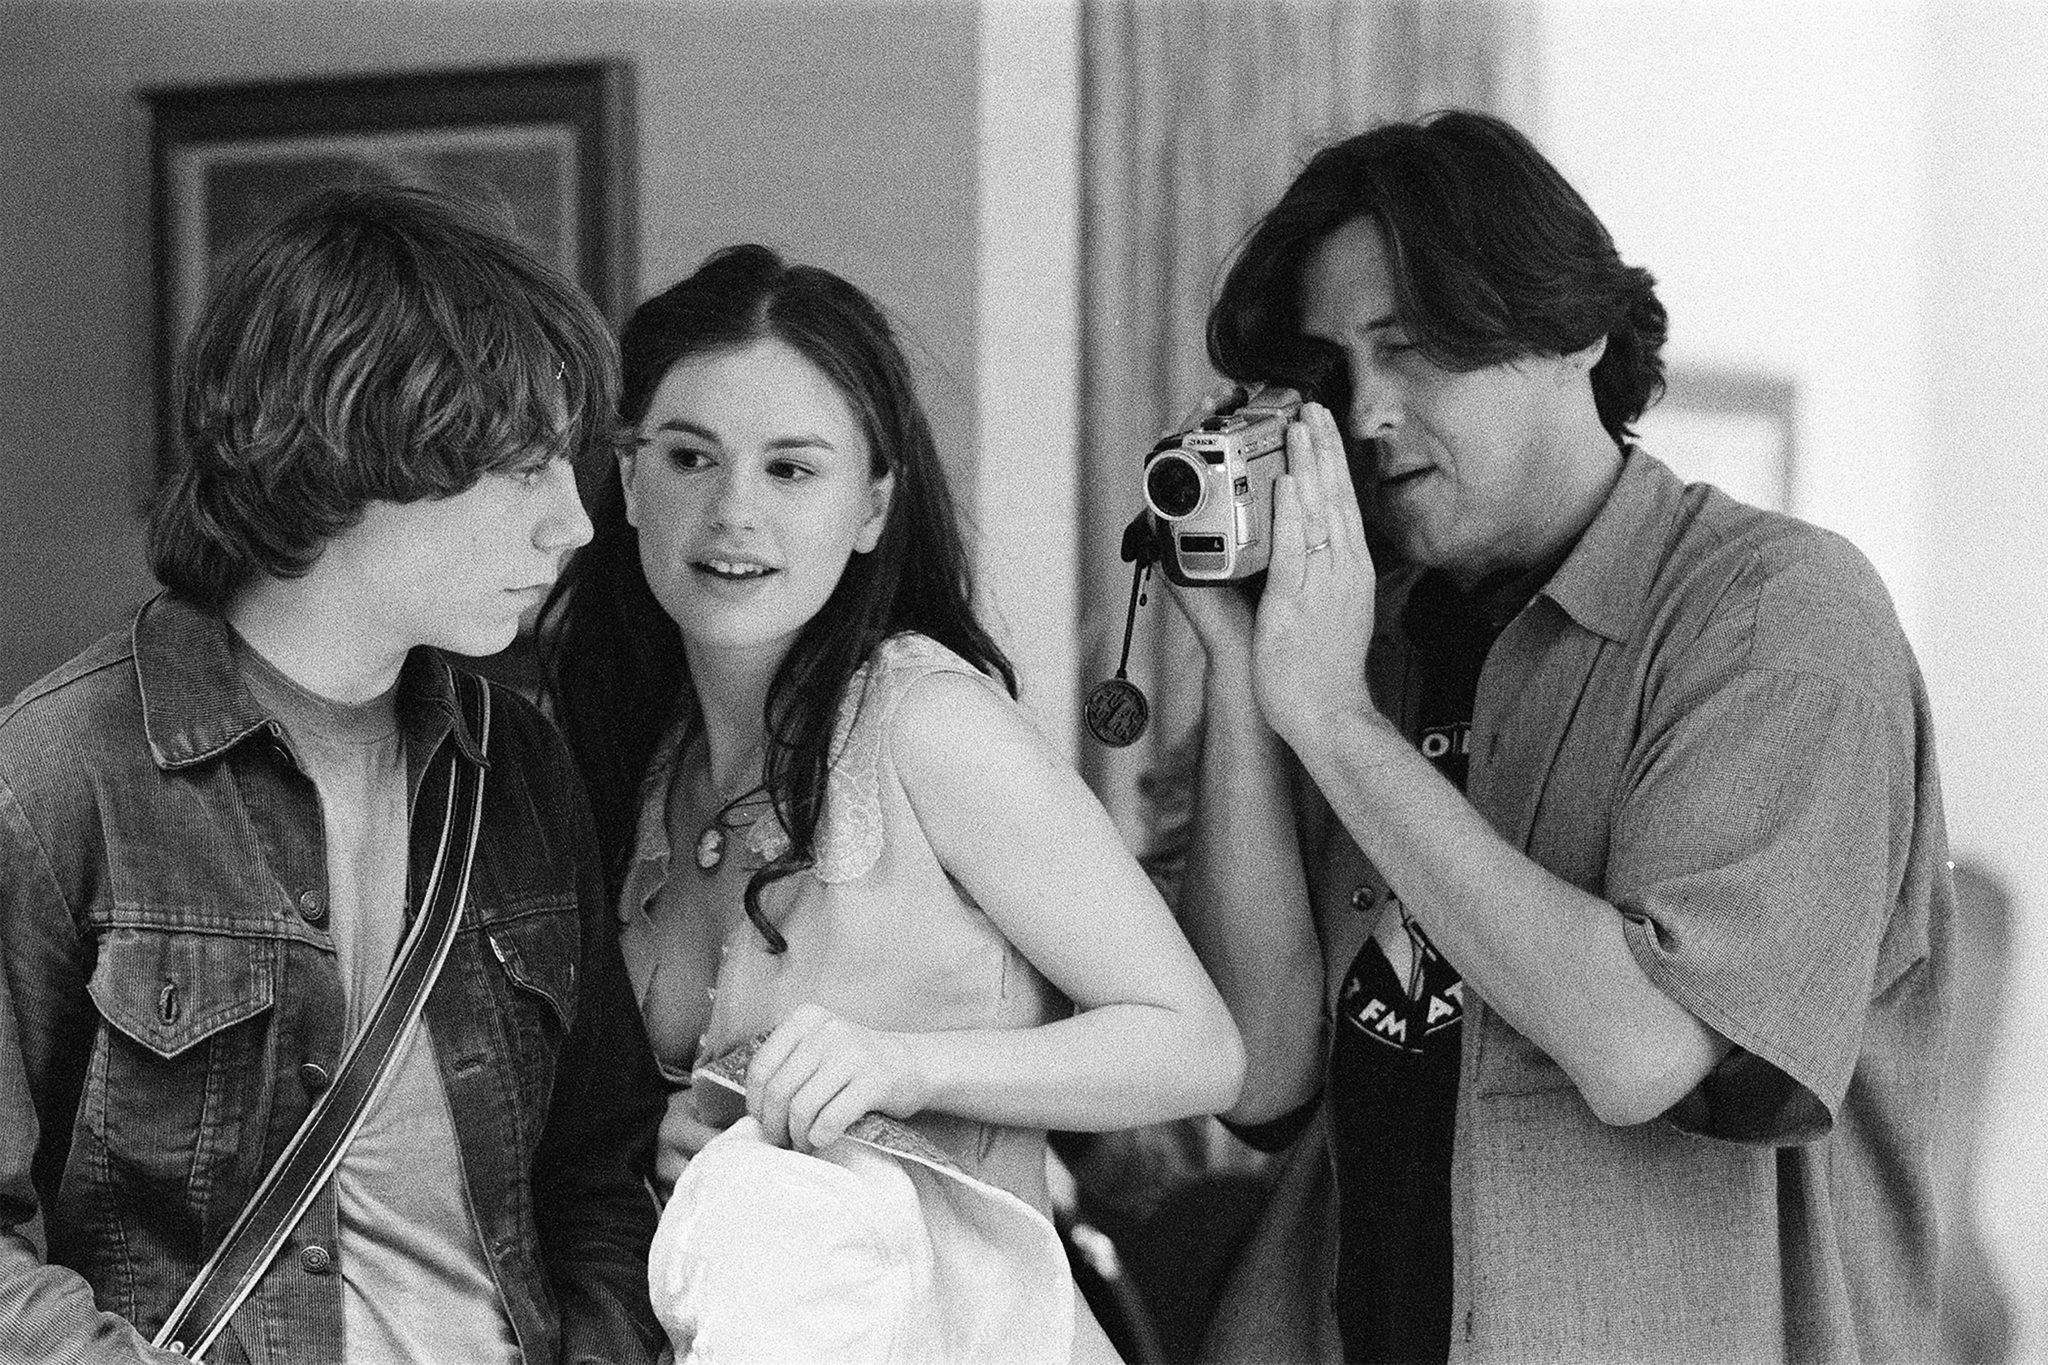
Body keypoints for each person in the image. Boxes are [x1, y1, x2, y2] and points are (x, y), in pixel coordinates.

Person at [1170, 110, 1953, 1364]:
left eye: (1409, 348)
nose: (1366, 413)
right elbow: (1257, 1071)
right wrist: (1237, 666)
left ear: (1573, 329)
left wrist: (1332, 722)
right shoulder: (1352, 636)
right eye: (1334, 372)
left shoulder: (1774, 614)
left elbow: (1641, 1046)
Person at [542, 244, 1246, 1362]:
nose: (732, 511)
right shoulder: (635, 757)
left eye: (791, 469)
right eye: (689, 456)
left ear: (872, 506)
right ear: (629, 484)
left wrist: (905, 1065)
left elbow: (1197, 1047)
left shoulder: (925, 722)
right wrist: (664, 1146)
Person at [0, 185, 666, 1364]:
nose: (574, 524)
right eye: (523, 470)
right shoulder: (60, 776)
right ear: (352, 454)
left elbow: (597, 1179)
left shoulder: (517, 765)